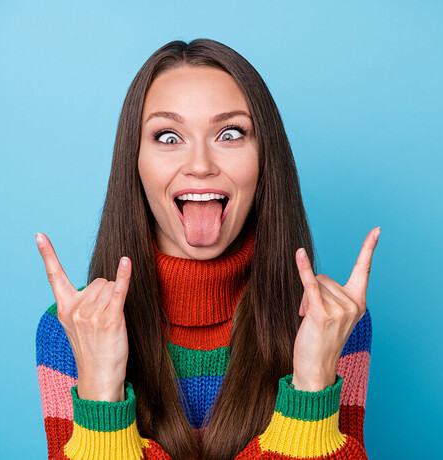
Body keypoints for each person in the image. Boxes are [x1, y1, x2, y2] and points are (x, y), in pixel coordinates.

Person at [35, 38, 377, 460]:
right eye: (168, 136)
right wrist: (101, 395)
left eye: (229, 134)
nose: (200, 164)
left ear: (265, 158)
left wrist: (312, 387)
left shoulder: (334, 322)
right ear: (134, 162)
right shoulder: (72, 331)